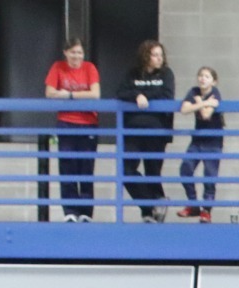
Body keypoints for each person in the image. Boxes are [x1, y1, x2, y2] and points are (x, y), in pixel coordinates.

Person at [114, 40, 175, 222]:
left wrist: (144, 95)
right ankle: (153, 204)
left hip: (156, 129)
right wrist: (137, 95)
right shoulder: (132, 73)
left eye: (161, 55)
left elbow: (167, 94)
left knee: (152, 172)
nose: (159, 58)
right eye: (155, 55)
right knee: (126, 170)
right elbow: (121, 92)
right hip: (132, 129)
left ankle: (149, 214)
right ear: (146, 56)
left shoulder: (166, 74)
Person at [43, 38, 100, 221]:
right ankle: (70, 212)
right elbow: (49, 92)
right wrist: (77, 97)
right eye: (73, 52)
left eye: (80, 52)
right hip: (66, 122)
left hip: (88, 122)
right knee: (67, 167)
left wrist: (68, 95)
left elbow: (95, 94)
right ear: (66, 52)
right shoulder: (58, 67)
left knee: (86, 168)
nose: (77, 56)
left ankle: (85, 212)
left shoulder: (89, 68)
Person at [175, 66, 223, 222]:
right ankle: (193, 204)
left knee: (209, 175)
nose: (203, 78)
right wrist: (204, 102)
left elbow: (206, 114)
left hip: (213, 140)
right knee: (185, 168)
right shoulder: (194, 91)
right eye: (201, 75)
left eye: (207, 76)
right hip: (197, 139)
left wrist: (198, 102)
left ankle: (206, 210)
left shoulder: (215, 93)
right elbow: (184, 109)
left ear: (213, 81)